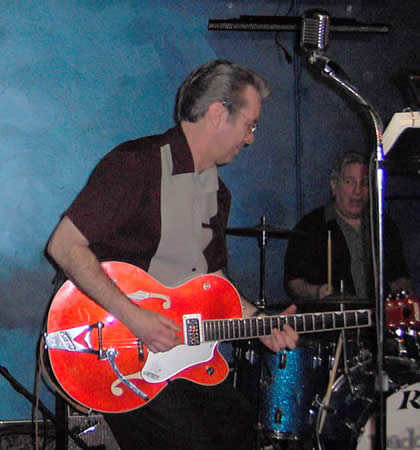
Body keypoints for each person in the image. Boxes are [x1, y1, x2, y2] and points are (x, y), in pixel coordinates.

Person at [46, 59, 298, 450]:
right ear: (218, 114)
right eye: (249, 125)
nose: (250, 139)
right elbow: (63, 246)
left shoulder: (217, 193)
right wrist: (135, 317)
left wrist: (258, 321)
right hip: (109, 348)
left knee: (239, 427)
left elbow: (213, 280)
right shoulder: (137, 165)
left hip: (174, 354)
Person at [284, 151, 414, 301]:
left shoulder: (384, 226)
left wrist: (403, 293)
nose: (357, 191)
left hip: (377, 314)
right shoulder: (310, 226)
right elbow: (294, 282)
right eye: (349, 182)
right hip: (333, 315)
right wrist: (317, 291)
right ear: (334, 185)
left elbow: (400, 277)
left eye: (364, 183)